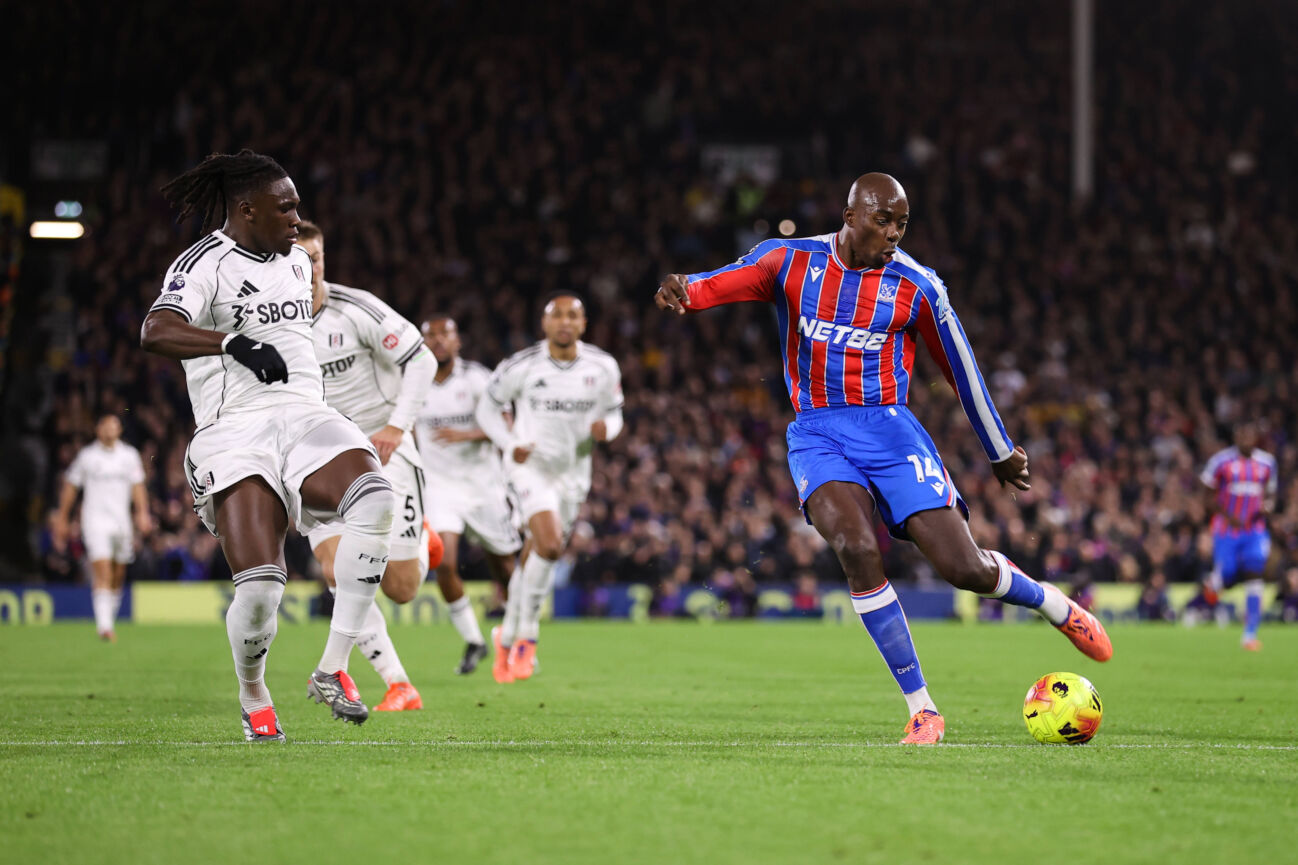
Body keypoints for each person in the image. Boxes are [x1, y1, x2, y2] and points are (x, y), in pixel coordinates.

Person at [655, 172, 1111, 745]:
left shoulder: (918, 286)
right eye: (883, 220)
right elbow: (721, 282)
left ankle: (1051, 602)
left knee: (963, 569)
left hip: (893, 432)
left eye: (902, 223)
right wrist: (685, 288)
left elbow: (961, 370)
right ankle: (923, 709)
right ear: (849, 217)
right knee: (856, 546)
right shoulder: (791, 262)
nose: (894, 233)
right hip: (818, 433)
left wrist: (999, 451)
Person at [141, 150, 396, 741]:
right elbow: (155, 329)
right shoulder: (204, 261)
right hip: (235, 429)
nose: (296, 216)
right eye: (285, 207)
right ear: (245, 209)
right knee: (259, 590)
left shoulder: (296, 264)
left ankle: (332, 668)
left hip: (305, 416)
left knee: (375, 497)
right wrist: (234, 343)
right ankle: (253, 689)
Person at [298, 220, 442, 709]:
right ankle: (398, 684)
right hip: (317, 458)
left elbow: (422, 361)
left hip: (383, 452)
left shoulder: (354, 309)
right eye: (299, 258)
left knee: (401, 588)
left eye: (315, 257)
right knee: (336, 568)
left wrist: (397, 428)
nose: (309, 267)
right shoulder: (269, 324)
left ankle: (425, 541)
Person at [475, 294, 623, 680]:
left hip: (574, 474)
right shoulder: (521, 366)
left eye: (572, 315)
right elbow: (486, 409)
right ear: (544, 324)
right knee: (551, 544)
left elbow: (614, 410)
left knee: (539, 552)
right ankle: (527, 638)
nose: (564, 322)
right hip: (530, 468)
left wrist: (608, 428)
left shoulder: (603, 366)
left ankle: (505, 635)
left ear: (583, 323)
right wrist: (510, 443)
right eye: (556, 315)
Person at [416, 316, 521, 679]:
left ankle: (520, 638)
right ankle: (474, 640)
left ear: (457, 341)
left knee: (505, 567)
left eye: (445, 334)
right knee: (442, 562)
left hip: (483, 486)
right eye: (430, 335)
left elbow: (507, 427)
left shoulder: (477, 377)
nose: (438, 341)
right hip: (439, 488)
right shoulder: (412, 380)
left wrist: (466, 435)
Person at [50, 414, 151, 641]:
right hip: (95, 521)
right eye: (105, 425)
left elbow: (138, 487)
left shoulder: (129, 456)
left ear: (119, 430)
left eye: (114, 425)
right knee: (103, 569)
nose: (109, 429)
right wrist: (62, 518)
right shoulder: (87, 457)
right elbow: (71, 487)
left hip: (121, 521)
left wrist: (142, 513)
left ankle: (108, 619)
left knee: (118, 573)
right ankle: (104, 627)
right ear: (97, 430)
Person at [1199, 421, 1277, 650]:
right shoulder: (1221, 462)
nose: (1245, 439)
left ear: (1256, 438)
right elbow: (1206, 496)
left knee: (1255, 570)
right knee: (1229, 574)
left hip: (1254, 530)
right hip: (1226, 530)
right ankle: (1215, 582)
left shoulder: (1267, 463)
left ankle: (1250, 634)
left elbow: (1271, 495)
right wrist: (1226, 514)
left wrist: (1268, 507)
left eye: (1250, 435)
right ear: (1236, 436)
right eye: (1241, 434)